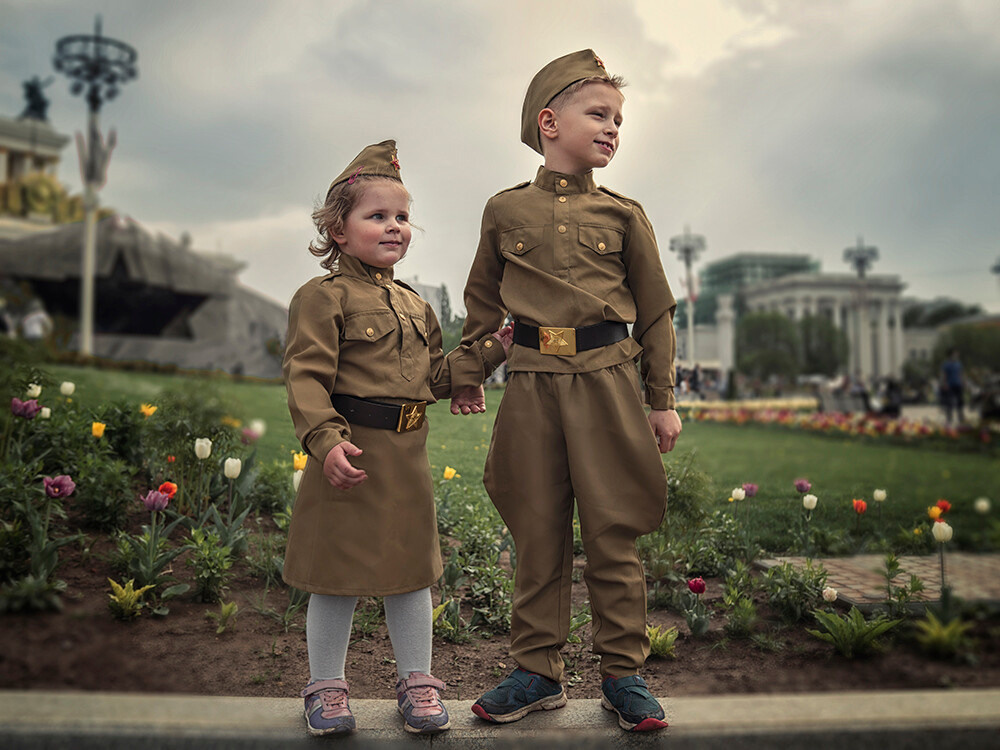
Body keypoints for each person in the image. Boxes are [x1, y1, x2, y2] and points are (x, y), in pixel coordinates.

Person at [450, 50, 681, 732]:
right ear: (549, 122)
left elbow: (657, 309)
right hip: (531, 385)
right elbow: (482, 305)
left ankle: (624, 674)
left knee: (612, 529)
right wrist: (469, 373)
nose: (613, 128)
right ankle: (536, 671)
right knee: (537, 528)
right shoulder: (504, 210)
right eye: (599, 114)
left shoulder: (623, 215)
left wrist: (660, 398)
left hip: (608, 382)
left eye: (619, 119)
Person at [281, 140, 511, 736]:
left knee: (412, 572)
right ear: (336, 228)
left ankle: (417, 681)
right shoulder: (321, 297)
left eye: (402, 217)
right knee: (335, 575)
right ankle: (326, 688)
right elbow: (306, 376)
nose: (394, 227)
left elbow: (433, 378)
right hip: (350, 453)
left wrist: (490, 352)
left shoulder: (416, 305)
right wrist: (326, 442)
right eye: (377, 216)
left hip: (406, 456)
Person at [940, 348, 965, 424]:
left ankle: (961, 417)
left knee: (960, 401)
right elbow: (944, 375)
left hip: (958, 384)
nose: (957, 355)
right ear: (950, 355)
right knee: (949, 402)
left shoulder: (958, 364)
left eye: (957, 354)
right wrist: (944, 384)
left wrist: (963, 382)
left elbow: (960, 374)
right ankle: (949, 417)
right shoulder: (946, 364)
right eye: (955, 353)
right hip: (950, 385)